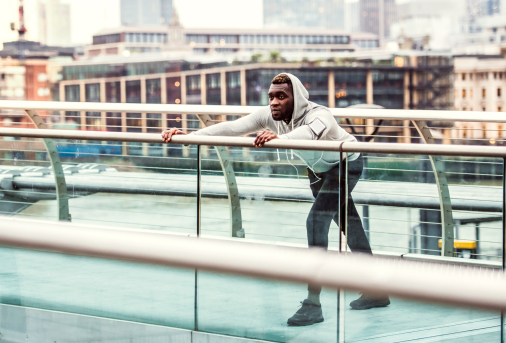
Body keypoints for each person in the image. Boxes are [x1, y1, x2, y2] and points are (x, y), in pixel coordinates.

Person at [161, 73, 390, 326]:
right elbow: (234, 127)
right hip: (319, 171)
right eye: (271, 97)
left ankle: (313, 304)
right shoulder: (269, 115)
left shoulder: (319, 115)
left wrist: (280, 139)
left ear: (297, 99)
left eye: (282, 96)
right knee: (351, 225)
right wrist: (191, 136)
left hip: (347, 164)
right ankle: (376, 291)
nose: (274, 102)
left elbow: (310, 133)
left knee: (316, 223)